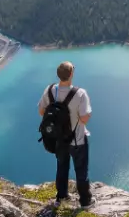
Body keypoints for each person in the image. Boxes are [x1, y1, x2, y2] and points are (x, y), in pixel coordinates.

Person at [37, 61, 93, 208]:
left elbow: (41, 112)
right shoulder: (80, 94)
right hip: (77, 140)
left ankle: (61, 197)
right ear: (71, 74)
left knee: (62, 167)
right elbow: (84, 118)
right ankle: (85, 202)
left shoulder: (49, 90)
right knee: (81, 170)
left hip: (59, 140)